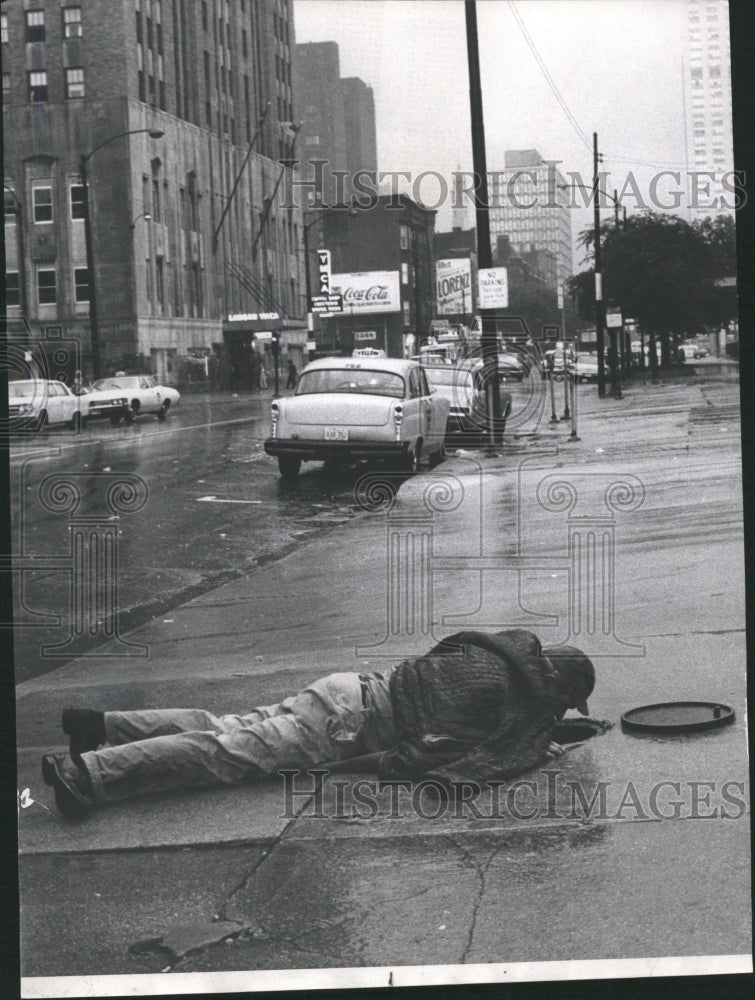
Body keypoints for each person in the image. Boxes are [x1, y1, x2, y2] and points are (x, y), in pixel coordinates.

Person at [41, 629, 595, 819]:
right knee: (223, 754)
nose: (559, 714)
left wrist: (545, 730)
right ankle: (87, 773)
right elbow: (430, 760)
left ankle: (100, 725)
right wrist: (532, 745)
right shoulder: (502, 705)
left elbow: (438, 682)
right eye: (565, 706)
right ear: (557, 689)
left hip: (346, 687)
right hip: (347, 726)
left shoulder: (492, 651)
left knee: (224, 724)